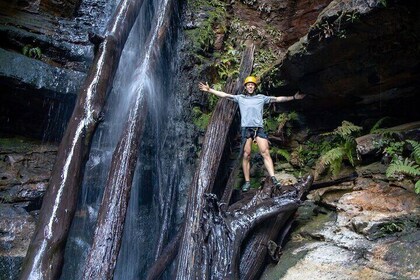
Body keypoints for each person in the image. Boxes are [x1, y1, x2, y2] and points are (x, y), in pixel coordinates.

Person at [198, 76, 305, 192]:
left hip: (258, 128)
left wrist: (294, 97)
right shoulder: (240, 98)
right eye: (248, 84)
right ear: (245, 87)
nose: (250, 86)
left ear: (255, 87)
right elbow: (225, 95)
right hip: (246, 129)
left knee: (265, 152)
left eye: (252, 85)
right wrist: (209, 90)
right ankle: (247, 182)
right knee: (246, 155)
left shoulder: (261, 98)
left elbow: (277, 99)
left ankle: (274, 178)